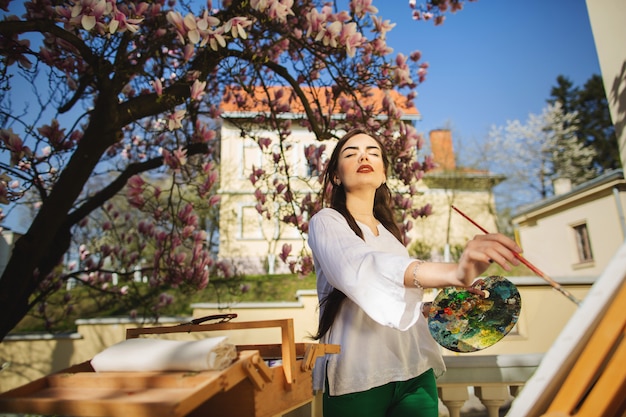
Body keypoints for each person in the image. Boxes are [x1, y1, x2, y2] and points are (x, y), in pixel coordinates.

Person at [308, 128, 522, 417]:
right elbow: (360, 268)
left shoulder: (391, 236)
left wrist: (440, 306)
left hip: (414, 370)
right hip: (357, 376)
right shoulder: (326, 222)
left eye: (373, 152)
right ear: (336, 175)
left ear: (383, 174)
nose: (363, 156)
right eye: (351, 153)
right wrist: (455, 272)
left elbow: (395, 297)